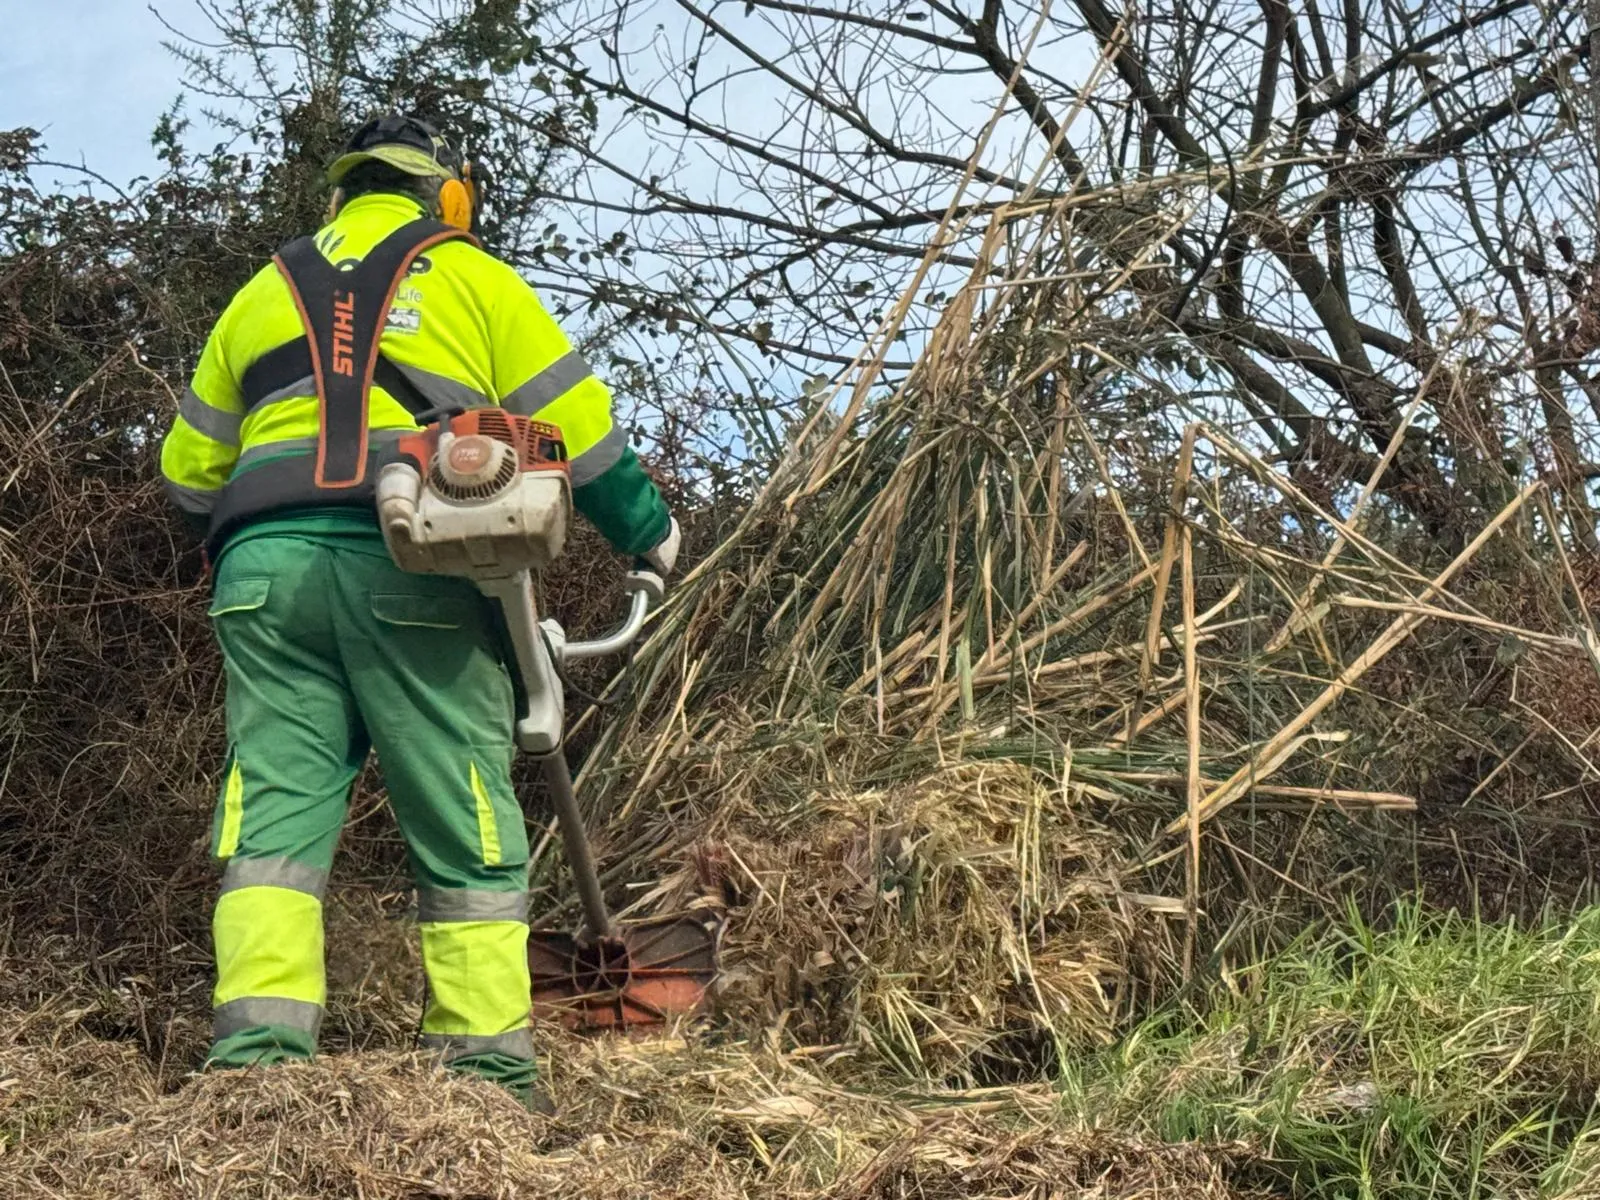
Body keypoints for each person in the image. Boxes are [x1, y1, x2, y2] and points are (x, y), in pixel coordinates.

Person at [158, 113, 679, 1106]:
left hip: (262, 579)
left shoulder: (261, 291)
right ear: (447, 193)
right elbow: (587, 439)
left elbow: (187, 477)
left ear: (342, 198)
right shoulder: (473, 276)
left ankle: (258, 1072)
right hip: (414, 571)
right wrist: (650, 538)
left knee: (272, 828)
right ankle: (484, 1074)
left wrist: (267, 538)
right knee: (462, 815)